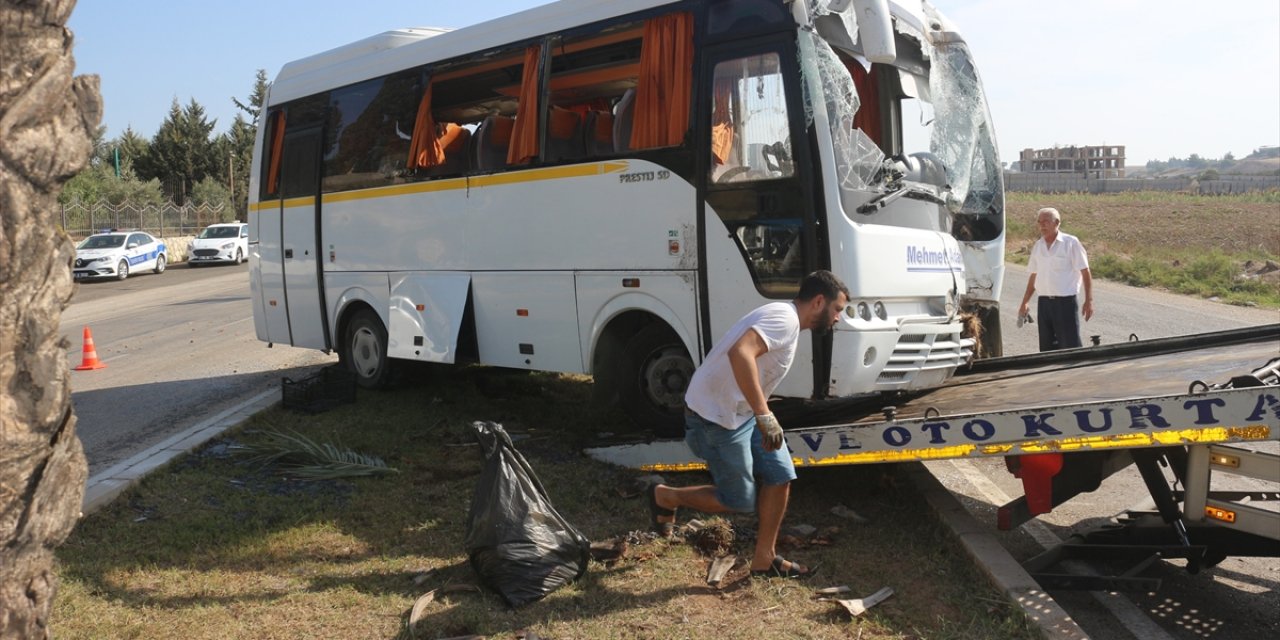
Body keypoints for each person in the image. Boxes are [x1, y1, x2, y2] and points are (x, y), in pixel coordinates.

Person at [646, 270, 850, 579]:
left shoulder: (787, 321)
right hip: (713, 417)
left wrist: (761, 411)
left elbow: (753, 365)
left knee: (780, 474)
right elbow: (740, 352)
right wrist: (763, 414)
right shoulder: (784, 319)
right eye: (838, 309)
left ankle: (763, 560)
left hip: (740, 414)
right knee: (738, 499)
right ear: (819, 301)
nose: (838, 318)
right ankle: (665, 496)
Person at [1017, 207, 1094, 351]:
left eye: (1046, 221)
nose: (1042, 225)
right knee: (1047, 349)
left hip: (1065, 304)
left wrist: (1088, 300)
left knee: (1070, 347)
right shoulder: (1038, 246)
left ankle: (1075, 373)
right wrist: (1025, 302)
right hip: (1044, 304)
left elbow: (1085, 271)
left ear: (1057, 222)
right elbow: (1034, 275)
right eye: (1039, 222)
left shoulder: (1070, 243)